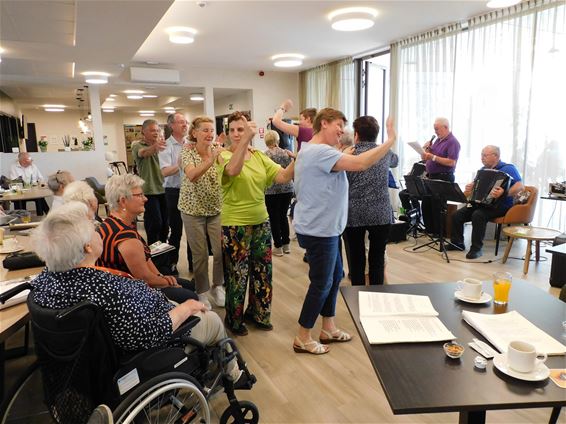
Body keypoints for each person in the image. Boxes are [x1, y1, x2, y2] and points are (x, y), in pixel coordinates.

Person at [30, 201, 242, 382]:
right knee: (212, 319)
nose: (98, 233)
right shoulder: (107, 289)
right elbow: (148, 334)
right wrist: (186, 308)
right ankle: (233, 374)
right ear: (87, 247)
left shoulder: (45, 281)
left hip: (83, 362)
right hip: (141, 352)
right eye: (94, 230)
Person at [293, 108, 396, 355]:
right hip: (320, 229)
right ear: (324, 123)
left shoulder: (312, 149)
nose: (342, 131)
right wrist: (391, 140)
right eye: (338, 125)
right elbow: (361, 163)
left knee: (336, 275)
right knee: (321, 283)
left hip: (326, 227)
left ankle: (328, 327)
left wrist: (341, 154)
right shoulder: (320, 152)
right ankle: (302, 336)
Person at [216, 111, 294, 336]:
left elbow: (282, 177)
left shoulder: (259, 157)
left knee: (263, 272)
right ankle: (235, 319)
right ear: (228, 134)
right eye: (232, 130)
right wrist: (246, 141)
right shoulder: (223, 155)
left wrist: (302, 158)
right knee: (237, 275)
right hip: (235, 225)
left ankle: (258, 314)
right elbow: (233, 171)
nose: (237, 134)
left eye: (241, 129)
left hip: (261, 222)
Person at [96, 174, 197, 304]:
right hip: (128, 295)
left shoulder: (112, 223)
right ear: (123, 201)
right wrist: (167, 282)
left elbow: (146, 261)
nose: (145, 199)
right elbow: (145, 279)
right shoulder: (125, 237)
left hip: (123, 287)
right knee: (191, 296)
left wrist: (162, 277)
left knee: (189, 286)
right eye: (139, 195)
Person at [343, 116, 398, 286]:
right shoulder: (385, 153)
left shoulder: (348, 153)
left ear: (356, 134)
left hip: (354, 213)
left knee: (356, 259)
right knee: (377, 258)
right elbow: (395, 161)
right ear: (376, 134)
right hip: (380, 213)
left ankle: (357, 297)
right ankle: (377, 297)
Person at [179, 116, 226, 309]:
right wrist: (211, 158)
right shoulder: (187, 152)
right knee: (200, 254)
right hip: (192, 210)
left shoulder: (218, 151)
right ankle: (202, 291)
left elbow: (228, 168)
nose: (209, 134)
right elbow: (192, 175)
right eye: (204, 130)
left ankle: (218, 285)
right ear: (194, 133)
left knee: (220, 251)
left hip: (215, 208)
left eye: (211, 130)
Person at [447, 145, 524, 259]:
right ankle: (458, 243)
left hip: (501, 205)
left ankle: (476, 249)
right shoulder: (482, 170)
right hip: (481, 204)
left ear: (496, 156)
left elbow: (520, 186)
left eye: (485, 155)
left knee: (478, 215)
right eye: (481, 155)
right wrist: (470, 188)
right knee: (457, 215)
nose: (482, 158)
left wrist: (504, 192)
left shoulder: (508, 168)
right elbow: (476, 186)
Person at [399, 117, 460, 234]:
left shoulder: (453, 142)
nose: (435, 132)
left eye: (437, 129)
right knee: (427, 204)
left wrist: (432, 157)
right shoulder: (438, 140)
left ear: (446, 127)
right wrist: (425, 151)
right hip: (431, 176)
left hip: (443, 177)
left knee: (437, 206)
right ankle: (430, 230)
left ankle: (438, 233)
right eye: (434, 129)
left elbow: (452, 162)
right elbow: (427, 158)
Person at [159, 112, 193, 274]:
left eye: (186, 122)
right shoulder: (166, 146)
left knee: (194, 230)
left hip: (191, 191)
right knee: (176, 230)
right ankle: (172, 263)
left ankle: (194, 264)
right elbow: (164, 172)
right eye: (181, 122)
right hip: (172, 192)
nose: (185, 125)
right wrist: (180, 164)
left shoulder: (191, 144)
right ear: (171, 126)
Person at [131, 119, 168, 245]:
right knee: (155, 224)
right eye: (152, 130)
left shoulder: (163, 146)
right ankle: (152, 254)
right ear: (143, 131)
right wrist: (156, 147)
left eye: (157, 130)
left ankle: (163, 255)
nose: (156, 133)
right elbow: (144, 153)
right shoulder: (137, 145)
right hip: (149, 191)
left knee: (165, 225)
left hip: (165, 189)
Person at [263, 130, 295, 256]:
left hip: (271, 190)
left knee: (274, 218)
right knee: (283, 216)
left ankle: (278, 246)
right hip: (287, 189)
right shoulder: (286, 153)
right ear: (277, 140)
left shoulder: (265, 155)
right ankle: (287, 244)